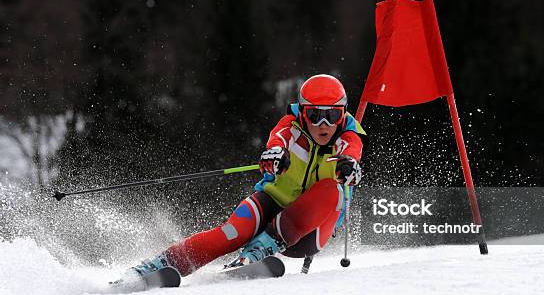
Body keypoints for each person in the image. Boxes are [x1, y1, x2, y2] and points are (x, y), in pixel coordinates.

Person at [128, 74, 366, 279]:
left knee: (331, 189)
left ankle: (258, 250)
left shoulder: (349, 137)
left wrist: (349, 168)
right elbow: (277, 142)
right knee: (231, 233)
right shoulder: (290, 127)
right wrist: (274, 156)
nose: (323, 124)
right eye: (314, 115)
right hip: (272, 204)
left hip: (306, 232)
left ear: (343, 115)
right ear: (303, 114)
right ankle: (161, 264)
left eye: (332, 116)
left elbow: (351, 153)